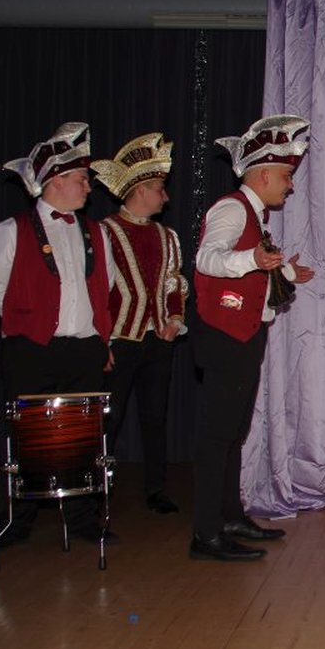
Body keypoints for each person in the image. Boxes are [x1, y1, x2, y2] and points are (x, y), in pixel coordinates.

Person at [0, 122, 116, 553]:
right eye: (81, 179)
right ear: (55, 181)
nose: (88, 187)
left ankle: (82, 518)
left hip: (83, 349)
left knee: (81, 438)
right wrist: (27, 321)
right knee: (28, 438)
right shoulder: (11, 230)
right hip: (32, 349)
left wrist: (101, 341)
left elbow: (106, 286)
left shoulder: (96, 232)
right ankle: (16, 520)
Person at [189, 115, 316, 561]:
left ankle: (229, 516)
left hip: (244, 335)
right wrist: (255, 260)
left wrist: (284, 272)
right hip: (225, 336)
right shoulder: (231, 209)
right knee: (217, 436)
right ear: (263, 175)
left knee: (232, 433)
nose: (290, 186)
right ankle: (206, 534)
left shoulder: (254, 215)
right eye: (286, 176)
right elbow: (208, 259)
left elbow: (255, 267)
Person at [90, 133, 188, 515]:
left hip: (158, 339)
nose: (166, 197)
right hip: (120, 339)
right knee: (109, 418)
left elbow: (174, 282)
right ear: (140, 190)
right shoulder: (105, 232)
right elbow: (96, 290)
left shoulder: (167, 236)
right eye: (160, 189)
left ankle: (156, 488)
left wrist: (174, 320)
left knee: (155, 416)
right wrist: (102, 341)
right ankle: (96, 489)